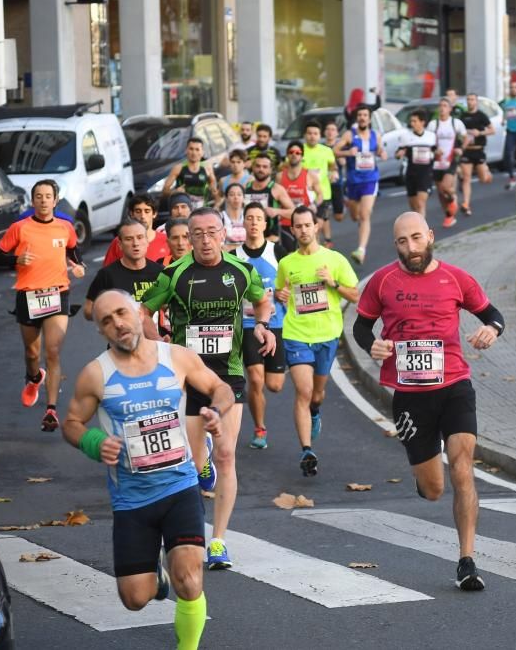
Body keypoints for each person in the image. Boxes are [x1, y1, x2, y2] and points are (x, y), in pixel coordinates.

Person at [62, 289, 232, 650]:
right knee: (135, 598)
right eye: (106, 321)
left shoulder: (178, 358)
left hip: (179, 486)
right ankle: (155, 574)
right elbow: (72, 423)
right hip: (131, 500)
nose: (117, 324)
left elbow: (220, 387)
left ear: (139, 313)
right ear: (101, 331)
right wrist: (94, 443)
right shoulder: (96, 375)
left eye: (121, 313)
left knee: (190, 578)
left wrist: (216, 411)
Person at [353, 211, 505, 591]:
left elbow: (493, 314)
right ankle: (425, 476)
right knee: (434, 489)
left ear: (431, 236)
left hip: (454, 384)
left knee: (462, 465)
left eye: (417, 239)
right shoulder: (383, 281)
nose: (411, 248)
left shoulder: (456, 278)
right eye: (403, 242)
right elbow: (360, 325)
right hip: (409, 396)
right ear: (396, 246)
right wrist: (370, 344)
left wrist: (491, 330)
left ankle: (467, 560)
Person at [141, 207, 277, 570]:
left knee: (227, 456)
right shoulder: (174, 274)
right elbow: (143, 312)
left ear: (223, 234)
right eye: (196, 233)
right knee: (190, 464)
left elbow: (263, 300)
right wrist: (160, 347)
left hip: (228, 376)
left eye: (210, 232)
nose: (203, 240)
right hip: (188, 377)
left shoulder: (241, 270)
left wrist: (262, 325)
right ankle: (185, 532)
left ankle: (218, 541)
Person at [0, 179, 85, 431]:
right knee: (32, 353)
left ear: (55, 201)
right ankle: (34, 377)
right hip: (28, 295)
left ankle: (51, 410)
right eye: (39, 196)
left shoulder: (65, 227)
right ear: (33, 201)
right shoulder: (19, 228)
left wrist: (78, 266)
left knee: (53, 352)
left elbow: (75, 252)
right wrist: (16, 258)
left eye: (48, 196)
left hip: (58, 294)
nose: (44, 200)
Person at [274, 206, 359, 477]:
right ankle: (307, 450)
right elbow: (280, 291)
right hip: (296, 335)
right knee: (303, 390)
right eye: (297, 226)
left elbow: (355, 295)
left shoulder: (334, 259)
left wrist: (332, 282)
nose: (303, 230)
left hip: (327, 335)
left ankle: (315, 411)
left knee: (317, 394)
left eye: (307, 225)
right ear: (292, 230)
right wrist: (281, 295)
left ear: (316, 226)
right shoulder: (287, 263)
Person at [234, 203, 289, 449]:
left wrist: (286, 292)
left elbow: (292, 280)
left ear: (265, 224)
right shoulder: (235, 256)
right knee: (255, 380)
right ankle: (260, 429)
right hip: (248, 324)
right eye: (249, 218)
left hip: (276, 323)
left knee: (274, 385)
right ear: (243, 223)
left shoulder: (277, 251)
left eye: (258, 218)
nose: (254, 222)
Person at [335, 104, 387, 264]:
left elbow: (380, 150)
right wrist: (346, 152)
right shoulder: (350, 135)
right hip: (353, 181)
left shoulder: (375, 135)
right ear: (357, 118)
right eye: (360, 115)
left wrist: (381, 153)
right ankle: (350, 206)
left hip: (370, 179)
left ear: (369, 118)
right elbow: (334, 151)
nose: (362, 118)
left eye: (365, 115)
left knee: (365, 215)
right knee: (355, 215)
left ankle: (361, 250)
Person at [84, 220, 164, 319]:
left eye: (140, 237)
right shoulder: (107, 275)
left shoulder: (161, 273)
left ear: (147, 242)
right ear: (120, 245)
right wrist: (113, 315)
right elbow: (88, 310)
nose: (135, 243)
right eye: (129, 239)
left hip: (156, 333)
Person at [426, 98, 467, 229]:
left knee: (446, 187)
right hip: (437, 161)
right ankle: (449, 215)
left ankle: (452, 200)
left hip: (451, 160)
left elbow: (466, 138)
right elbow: (428, 141)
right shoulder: (433, 124)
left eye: (445, 106)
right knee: (440, 191)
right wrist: (434, 150)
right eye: (440, 106)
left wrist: (461, 149)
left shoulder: (456, 123)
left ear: (450, 109)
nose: (442, 108)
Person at [246, 153, 298, 251]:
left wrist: (277, 211)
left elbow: (295, 213)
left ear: (270, 170)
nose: (261, 169)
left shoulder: (276, 189)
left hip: (271, 239)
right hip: (248, 240)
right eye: (258, 166)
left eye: (265, 167)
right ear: (252, 167)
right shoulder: (245, 188)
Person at [103, 195, 170, 266]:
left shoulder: (167, 241)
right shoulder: (119, 242)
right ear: (131, 214)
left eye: (147, 211)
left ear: (154, 214)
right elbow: (107, 273)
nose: (142, 216)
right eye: (138, 211)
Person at [301, 121, 338, 246]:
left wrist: (334, 173)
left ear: (319, 135)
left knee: (318, 225)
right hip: (305, 195)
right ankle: (316, 248)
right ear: (305, 135)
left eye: (315, 133)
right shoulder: (299, 151)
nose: (312, 136)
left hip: (324, 193)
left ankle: (319, 248)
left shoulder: (326, 151)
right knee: (309, 226)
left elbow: (333, 166)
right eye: (309, 133)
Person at [395, 108, 437, 216]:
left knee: (420, 203)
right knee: (414, 207)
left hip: (425, 173)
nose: (412, 123)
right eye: (411, 121)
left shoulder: (431, 136)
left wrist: (438, 153)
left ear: (422, 122)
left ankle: (422, 231)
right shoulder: (406, 137)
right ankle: (418, 225)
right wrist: (399, 153)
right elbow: (398, 153)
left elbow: (436, 151)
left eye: (415, 121)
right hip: (412, 173)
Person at [456, 94, 493, 215]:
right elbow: (458, 131)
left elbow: (492, 130)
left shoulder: (481, 116)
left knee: (483, 179)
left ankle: (487, 173)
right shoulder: (463, 116)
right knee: (466, 178)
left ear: (476, 102)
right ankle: (466, 204)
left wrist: (480, 132)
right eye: (468, 100)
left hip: (479, 150)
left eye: (472, 100)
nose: (470, 102)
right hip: (467, 150)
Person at [162, 137, 218, 208]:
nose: (194, 153)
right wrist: (175, 192)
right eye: (191, 149)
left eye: (197, 149)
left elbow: (213, 183)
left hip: (202, 209)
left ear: (202, 152)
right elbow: (164, 191)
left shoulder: (207, 167)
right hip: (184, 210)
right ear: (186, 150)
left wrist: (213, 188)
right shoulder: (178, 168)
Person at [321, 120, 346, 231]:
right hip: (322, 184)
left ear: (337, 133)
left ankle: (343, 205)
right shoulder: (320, 148)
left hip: (336, 183)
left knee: (339, 217)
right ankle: (327, 238)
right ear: (324, 132)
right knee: (323, 215)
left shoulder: (339, 148)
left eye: (333, 130)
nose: (330, 132)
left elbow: (343, 163)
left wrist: (337, 155)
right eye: (328, 129)